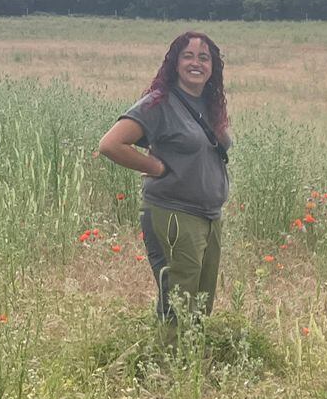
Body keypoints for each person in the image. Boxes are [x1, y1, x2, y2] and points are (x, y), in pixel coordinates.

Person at [97, 32, 232, 327]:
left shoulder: (208, 104)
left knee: (200, 304)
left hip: (209, 216)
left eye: (204, 57)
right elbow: (110, 144)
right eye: (188, 56)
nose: (196, 63)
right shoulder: (159, 103)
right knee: (178, 303)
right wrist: (156, 167)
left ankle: (191, 354)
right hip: (174, 214)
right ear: (174, 62)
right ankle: (169, 355)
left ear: (213, 67)